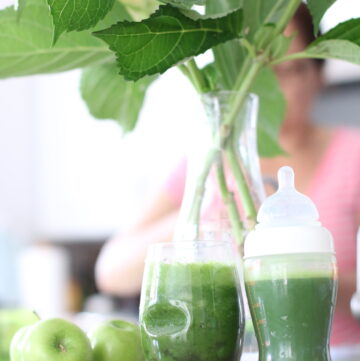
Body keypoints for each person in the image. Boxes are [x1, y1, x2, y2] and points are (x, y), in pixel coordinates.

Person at [95, 4, 360, 346]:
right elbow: (112, 270)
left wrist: (305, 267)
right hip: (226, 348)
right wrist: (203, 212)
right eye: (255, 65)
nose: (267, 82)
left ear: (317, 74)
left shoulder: (351, 153)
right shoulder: (209, 161)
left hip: (334, 350)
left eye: (287, 68)